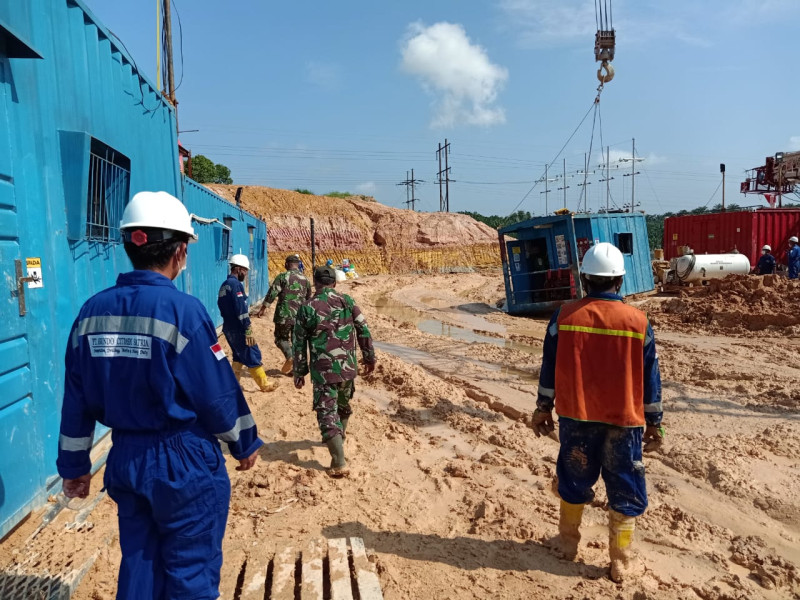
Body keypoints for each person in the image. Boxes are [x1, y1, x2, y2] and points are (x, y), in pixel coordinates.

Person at [57, 191, 264, 599]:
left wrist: (74, 465)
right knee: (190, 569)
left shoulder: (90, 313)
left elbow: (75, 398)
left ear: (130, 246)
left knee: (140, 564)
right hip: (183, 461)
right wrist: (244, 442)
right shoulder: (183, 311)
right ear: (180, 252)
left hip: (127, 459)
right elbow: (216, 391)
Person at [531, 242, 663, 583]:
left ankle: (567, 544)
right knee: (624, 486)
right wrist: (656, 424)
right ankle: (620, 561)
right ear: (619, 280)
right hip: (624, 420)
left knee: (573, 478)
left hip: (577, 417)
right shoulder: (638, 321)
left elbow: (549, 367)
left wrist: (543, 407)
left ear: (584, 279)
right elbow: (651, 378)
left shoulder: (564, 316)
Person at [293, 266, 376, 477]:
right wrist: (369, 358)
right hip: (347, 369)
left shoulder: (307, 307)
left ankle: (339, 461)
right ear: (335, 283)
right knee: (343, 405)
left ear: (315, 283)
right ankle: (340, 437)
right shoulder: (347, 301)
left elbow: (299, 343)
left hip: (323, 373)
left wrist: (299, 371)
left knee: (327, 413)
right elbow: (363, 329)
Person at [218, 254, 279, 392]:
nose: (245, 274)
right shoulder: (235, 285)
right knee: (252, 352)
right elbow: (241, 309)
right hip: (239, 328)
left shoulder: (224, 286)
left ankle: (234, 384)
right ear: (238, 269)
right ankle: (264, 384)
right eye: (245, 270)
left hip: (228, 327)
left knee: (238, 355)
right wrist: (247, 327)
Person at [257, 254, 312, 375]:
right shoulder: (306, 279)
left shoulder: (282, 277)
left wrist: (263, 308)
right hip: (300, 317)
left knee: (280, 338)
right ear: (298, 265)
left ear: (287, 264)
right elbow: (309, 299)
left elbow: (272, 293)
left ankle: (289, 356)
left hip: (284, 315)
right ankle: (295, 368)